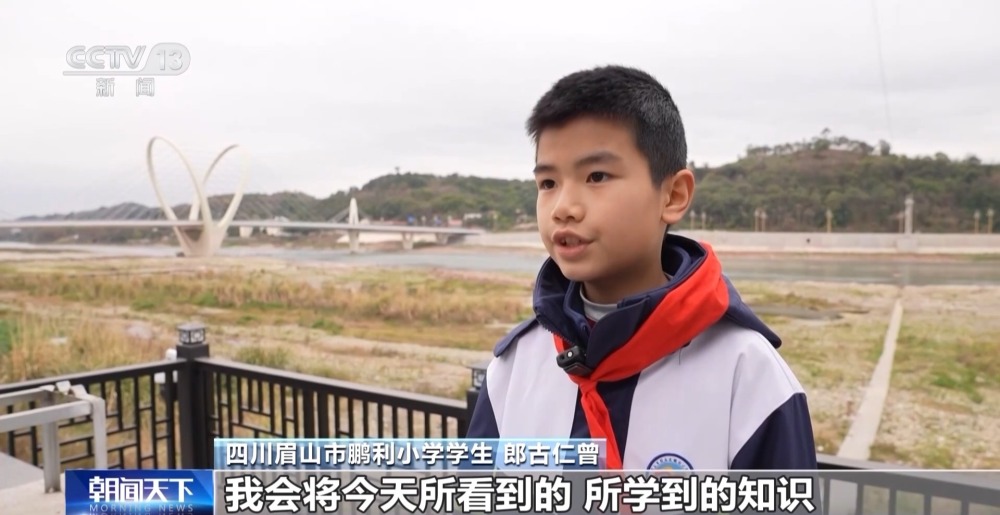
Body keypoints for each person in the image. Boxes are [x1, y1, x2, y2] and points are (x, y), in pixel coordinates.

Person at [466, 65, 817, 470]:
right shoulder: (515, 366)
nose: (563, 208)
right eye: (548, 183)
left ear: (673, 195)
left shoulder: (748, 375)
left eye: (596, 176)